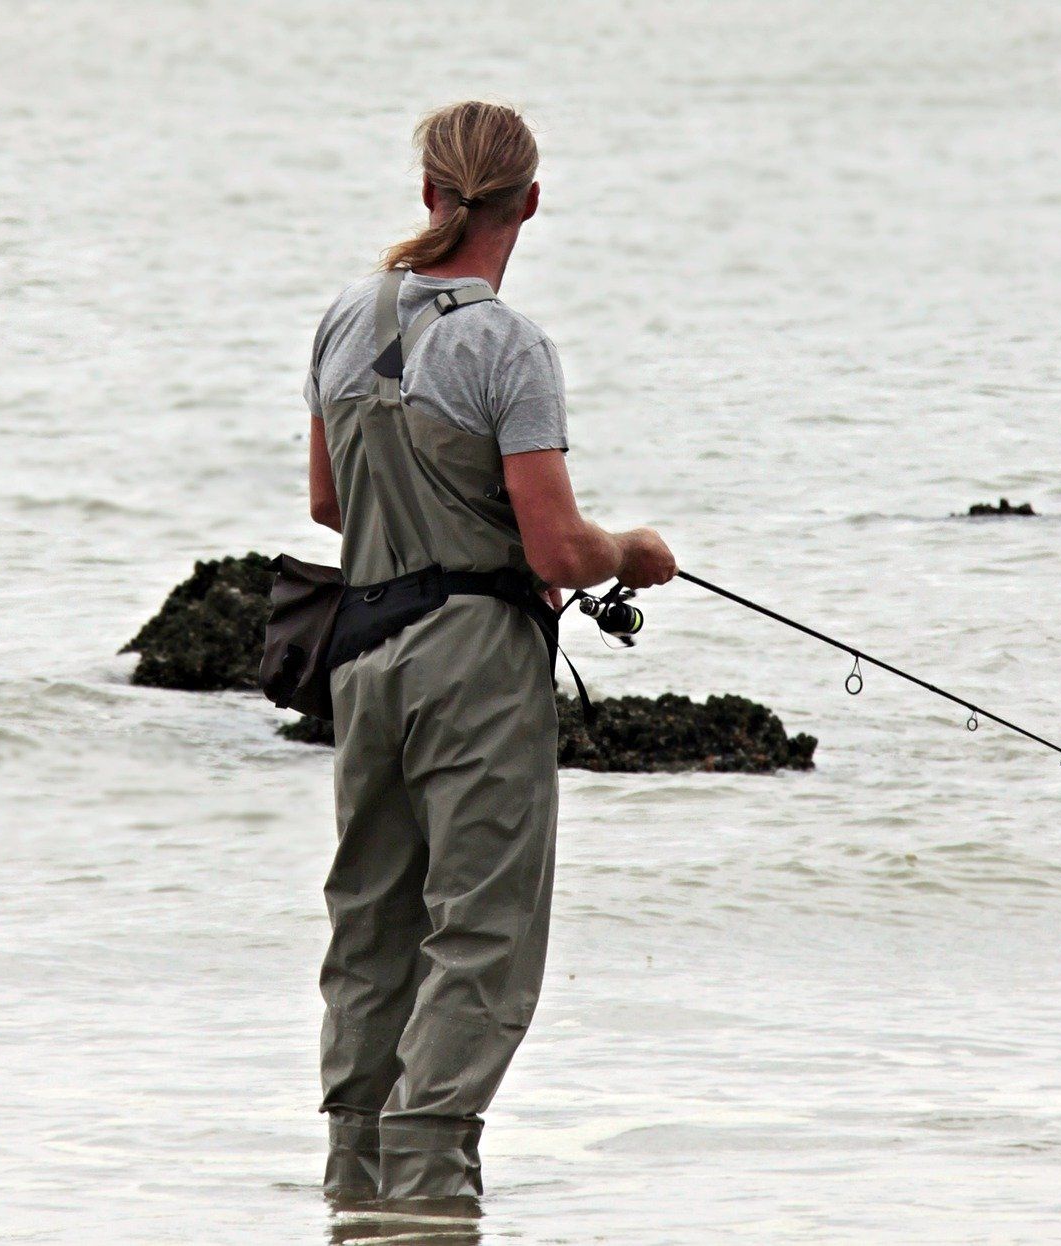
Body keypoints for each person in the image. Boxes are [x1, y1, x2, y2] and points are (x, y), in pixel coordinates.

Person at [303, 101, 677, 1203]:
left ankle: (354, 1186)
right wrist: (636, 553)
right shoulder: (508, 344)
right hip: (474, 662)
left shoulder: (340, 319)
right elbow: (560, 543)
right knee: (482, 931)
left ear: (429, 193)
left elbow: (331, 505)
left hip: (361, 655)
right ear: (531, 202)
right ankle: (428, 1188)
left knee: (371, 922)